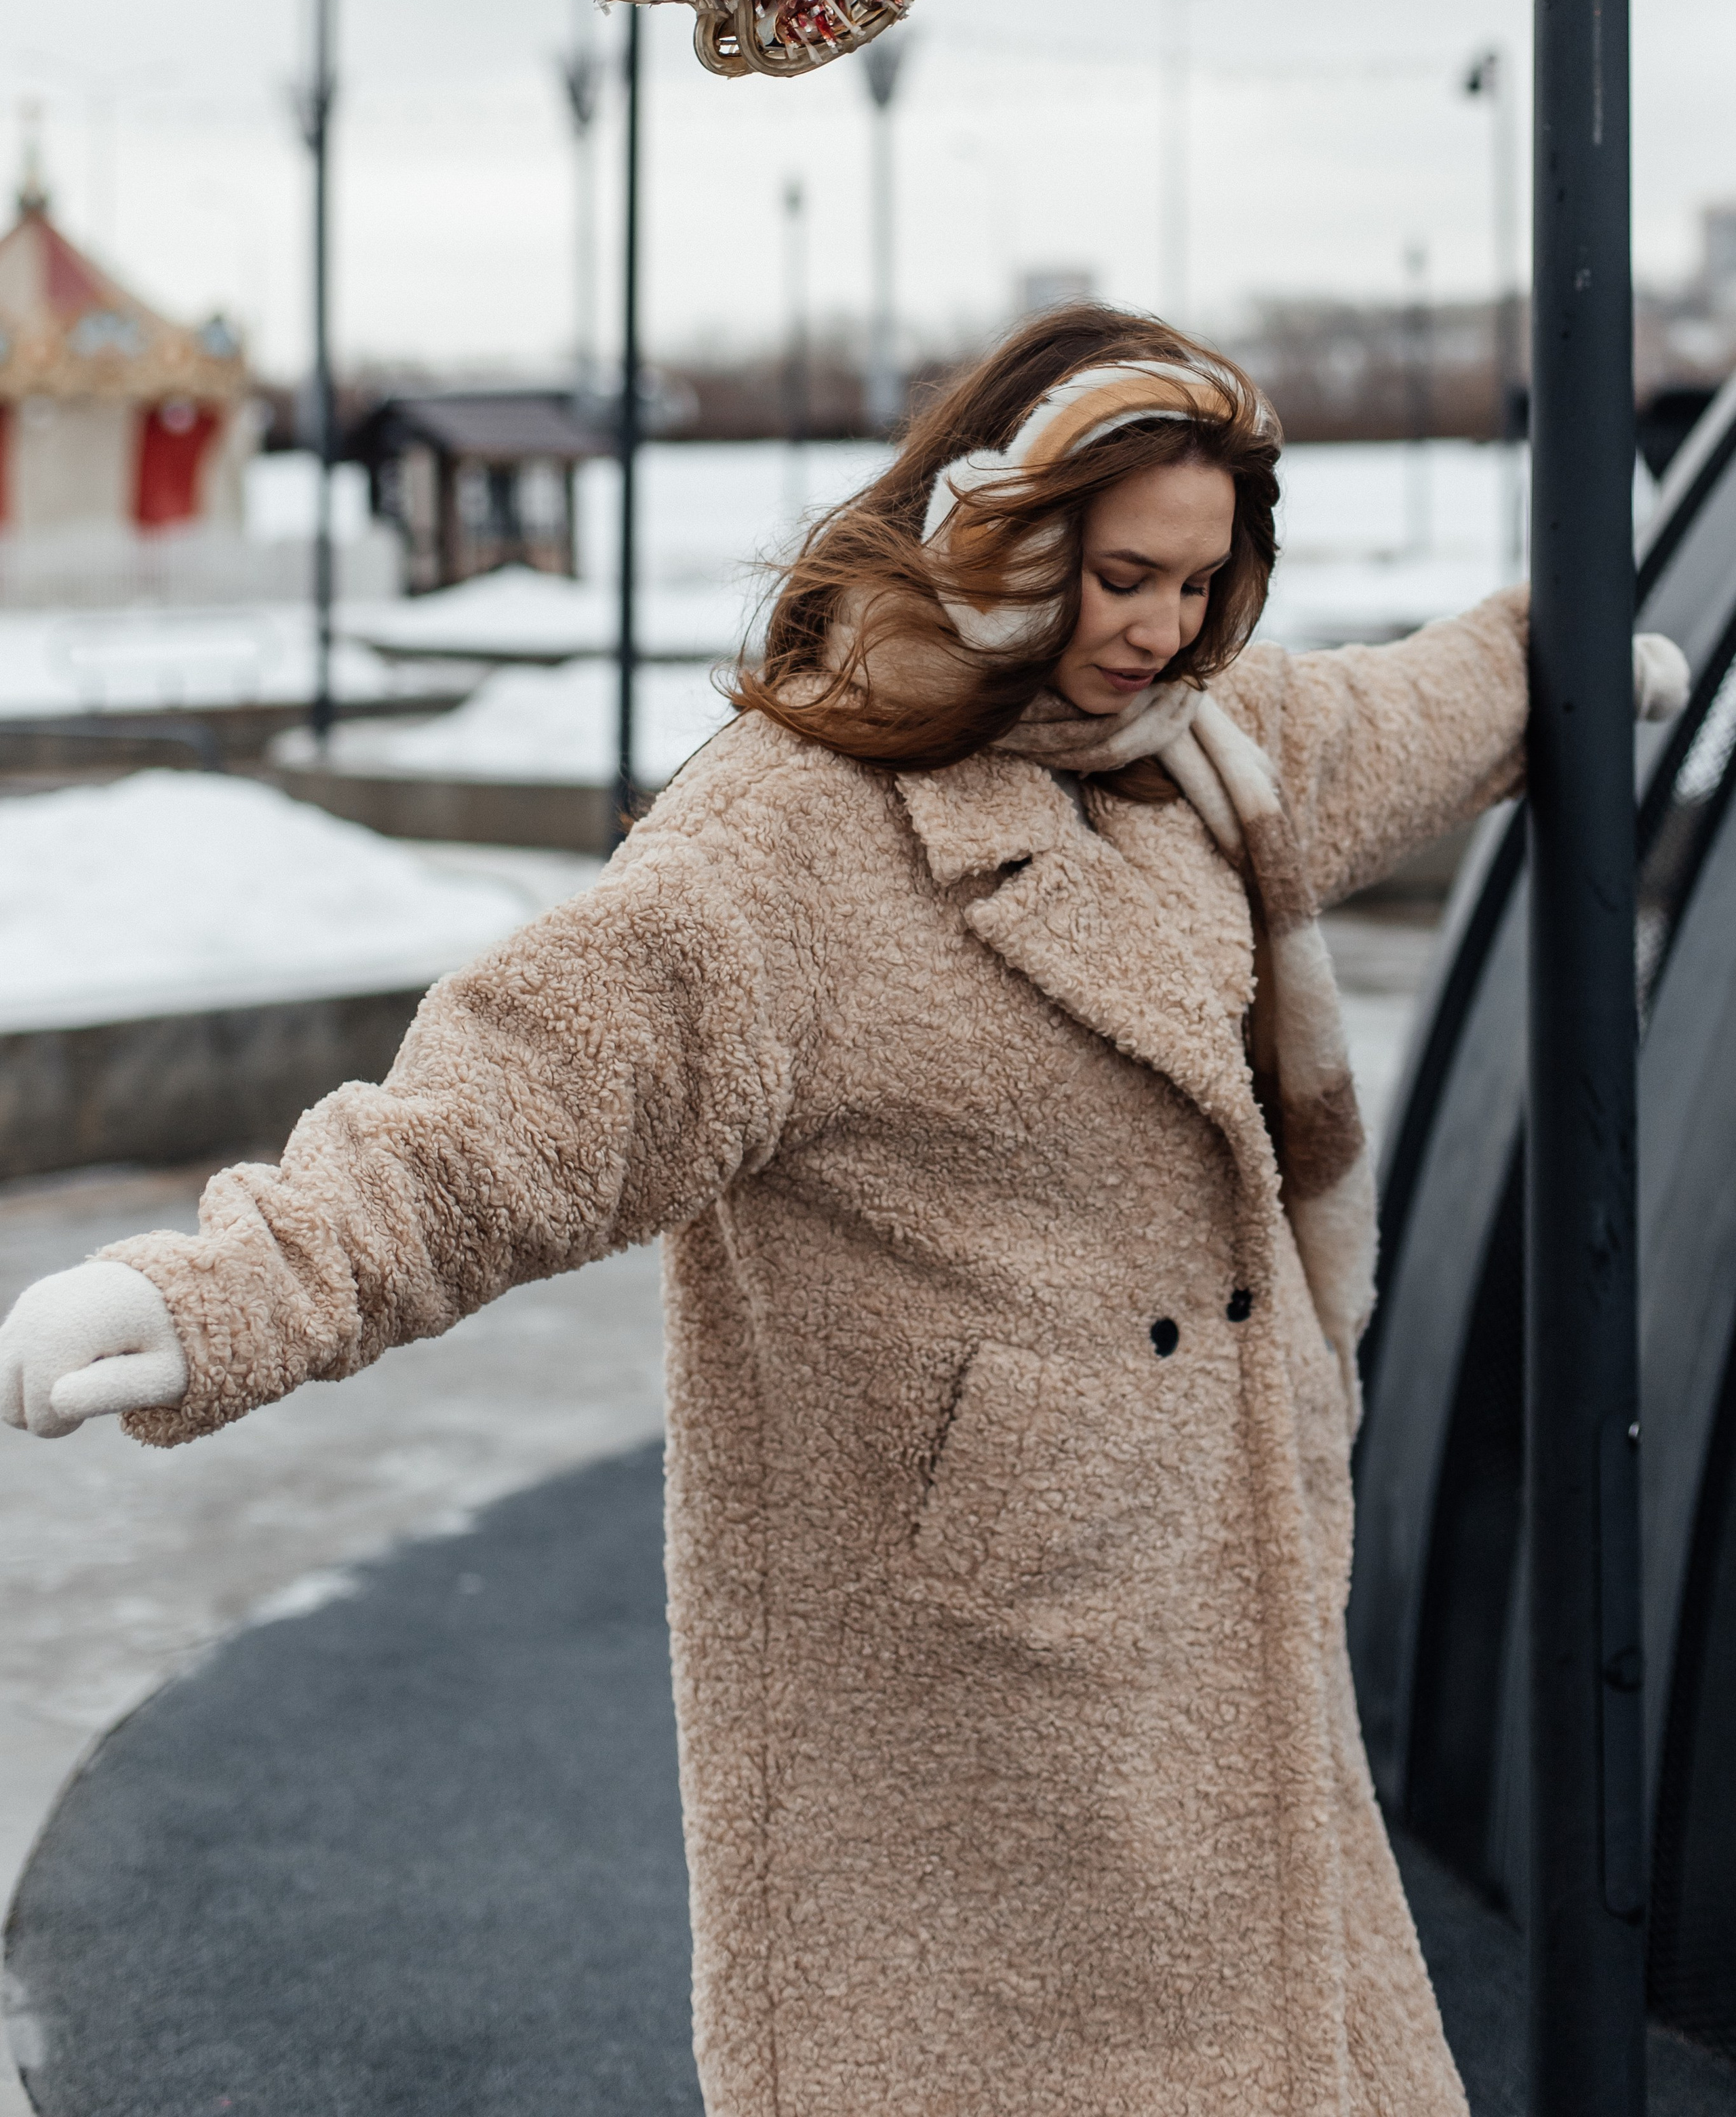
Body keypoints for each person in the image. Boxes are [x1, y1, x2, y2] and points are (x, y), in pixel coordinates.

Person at [0, 305, 1680, 2116]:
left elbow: (1387, 716)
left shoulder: (1201, 754)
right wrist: (216, 1297)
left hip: (1217, 1626)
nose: (1157, 632)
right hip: (969, 1692)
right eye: (1120, 575)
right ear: (998, 530)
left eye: (1202, 586)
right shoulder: (792, 843)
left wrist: (1551, 663)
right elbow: (505, 1119)